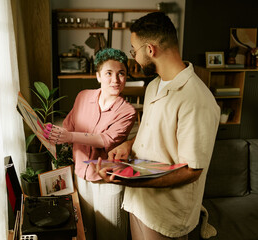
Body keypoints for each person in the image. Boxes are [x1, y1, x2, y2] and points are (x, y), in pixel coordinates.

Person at [93, 12, 220, 240]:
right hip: (139, 203)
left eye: (134, 50)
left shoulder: (197, 100)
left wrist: (131, 177)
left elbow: (192, 170)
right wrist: (128, 145)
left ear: (150, 50)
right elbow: (153, 133)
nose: (134, 57)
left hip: (166, 217)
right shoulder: (153, 87)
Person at [44, 48, 136, 240]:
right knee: (85, 232)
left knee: (111, 234)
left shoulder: (128, 111)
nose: (116, 80)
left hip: (108, 181)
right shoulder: (83, 96)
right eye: (109, 73)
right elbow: (68, 125)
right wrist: (51, 131)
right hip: (81, 178)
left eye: (121, 73)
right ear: (98, 76)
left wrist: (69, 137)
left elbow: (105, 139)